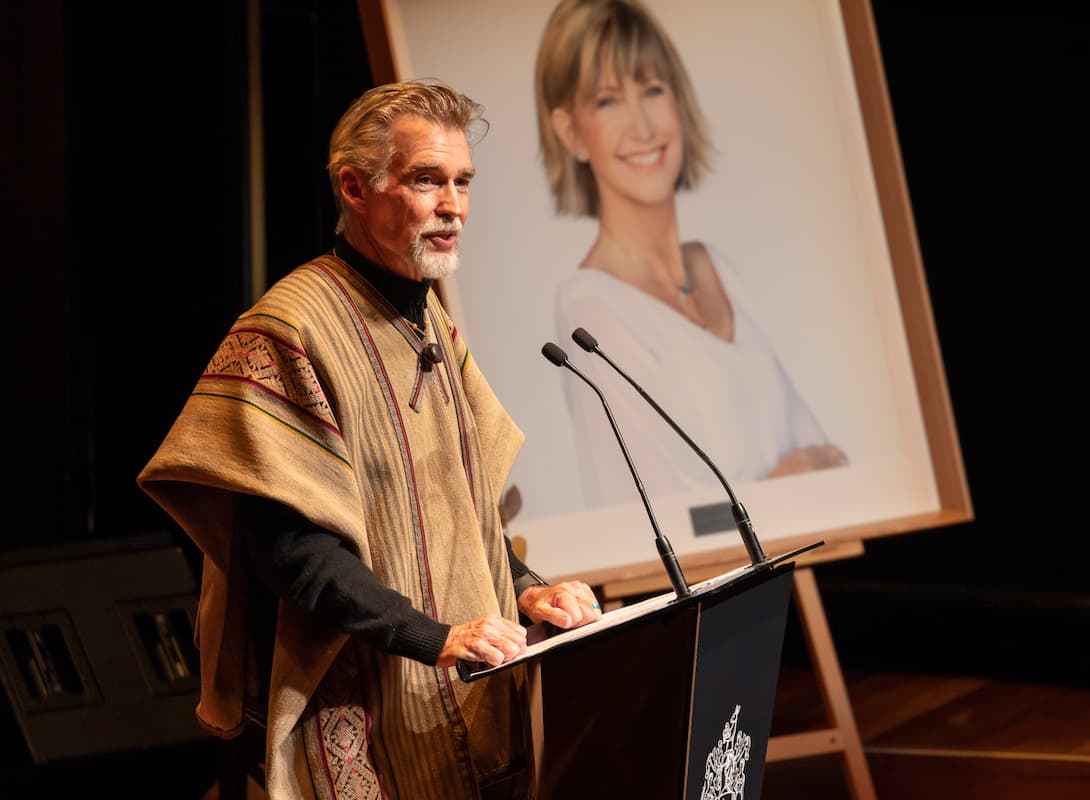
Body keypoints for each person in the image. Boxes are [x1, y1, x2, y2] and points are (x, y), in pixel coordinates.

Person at [138, 80, 601, 800]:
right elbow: (293, 553)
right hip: (361, 714)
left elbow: (464, 516)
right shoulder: (287, 330)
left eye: (462, 182)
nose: (453, 205)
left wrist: (527, 592)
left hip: (461, 694)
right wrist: (435, 637)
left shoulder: (432, 325)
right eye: (427, 180)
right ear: (355, 187)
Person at [534, 0, 848, 509]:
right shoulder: (590, 310)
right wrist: (787, 479)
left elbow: (829, 461)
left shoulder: (719, 267)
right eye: (609, 101)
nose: (644, 128)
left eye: (653, 90)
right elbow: (664, 518)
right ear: (570, 131)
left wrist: (792, 477)